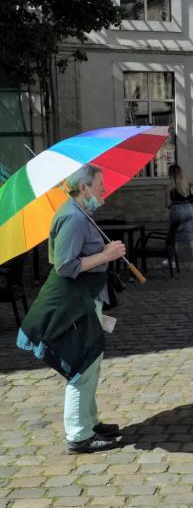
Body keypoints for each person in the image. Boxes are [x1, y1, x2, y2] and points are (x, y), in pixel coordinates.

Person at [17, 164, 126, 453]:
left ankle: (90, 422)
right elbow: (66, 266)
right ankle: (79, 435)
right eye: (100, 184)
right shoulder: (73, 218)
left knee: (92, 362)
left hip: (85, 299)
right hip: (73, 302)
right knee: (83, 365)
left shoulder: (82, 214)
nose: (105, 189)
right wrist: (107, 254)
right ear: (84, 187)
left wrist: (105, 253)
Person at [166, 164, 193, 257]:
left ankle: (173, 262)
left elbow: (168, 204)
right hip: (188, 209)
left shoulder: (169, 187)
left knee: (174, 236)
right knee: (191, 237)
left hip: (176, 210)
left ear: (170, 174)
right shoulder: (187, 185)